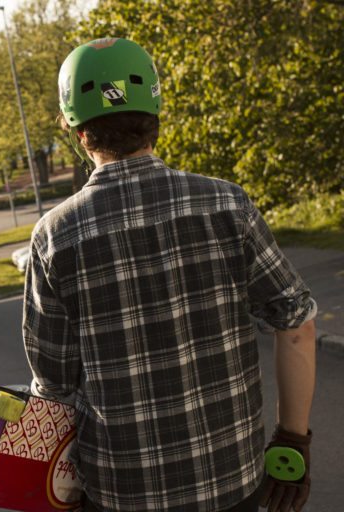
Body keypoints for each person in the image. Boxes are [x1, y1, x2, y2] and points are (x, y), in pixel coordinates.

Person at [22, 37, 316, 512]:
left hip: (121, 491)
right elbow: (297, 326)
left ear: (78, 132)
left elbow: (53, 387)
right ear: (154, 117)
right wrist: (293, 440)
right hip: (234, 479)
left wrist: (54, 486)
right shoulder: (228, 205)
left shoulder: (55, 237)